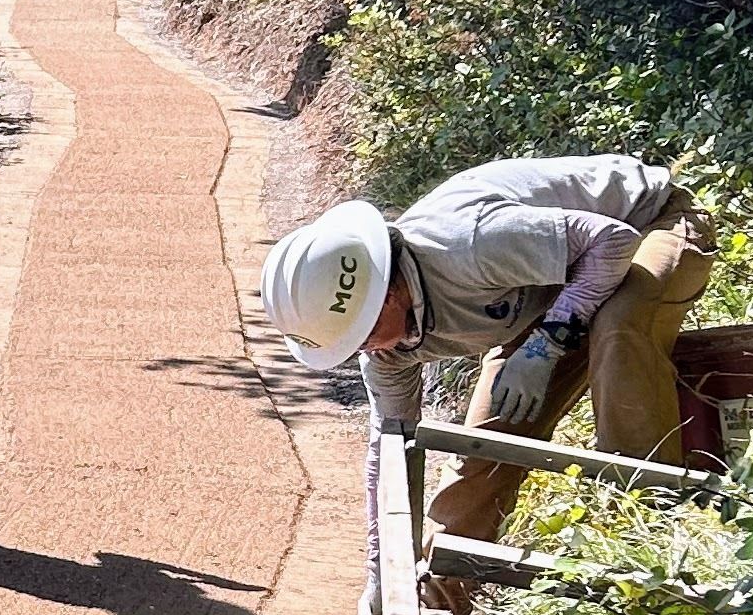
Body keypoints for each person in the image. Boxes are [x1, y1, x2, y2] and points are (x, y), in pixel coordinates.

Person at [260, 151, 715, 552]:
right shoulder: (387, 352)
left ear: (388, 293)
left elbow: (612, 241)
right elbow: (391, 448)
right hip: (556, 290)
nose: (367, 351)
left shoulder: (469, 246)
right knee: (483, 447)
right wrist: (384, 568)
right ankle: (435, 604)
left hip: (652, 223)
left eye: (363, 333)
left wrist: (545, 344)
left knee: (617, 325)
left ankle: (651, 519)